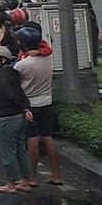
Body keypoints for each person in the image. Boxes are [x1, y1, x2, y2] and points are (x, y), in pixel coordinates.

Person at [0, 46, 32, 194]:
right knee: (20, 149)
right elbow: (20, 93)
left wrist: (22, 107)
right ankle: (25, 181)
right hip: (19, 116)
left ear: (2, 60)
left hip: (6, 117)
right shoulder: (12, 74)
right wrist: (25, 108)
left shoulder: (0, 77)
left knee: (7, 152)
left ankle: (11, 183)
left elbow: (8, 94)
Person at [20, 28, 62, 186]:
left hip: (30, 104)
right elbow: (46, 48)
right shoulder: (48, 57)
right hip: (46, 101)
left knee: (32, 139)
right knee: (47, 137)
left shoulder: (23, 65)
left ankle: (32, 177)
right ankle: (56, 175)